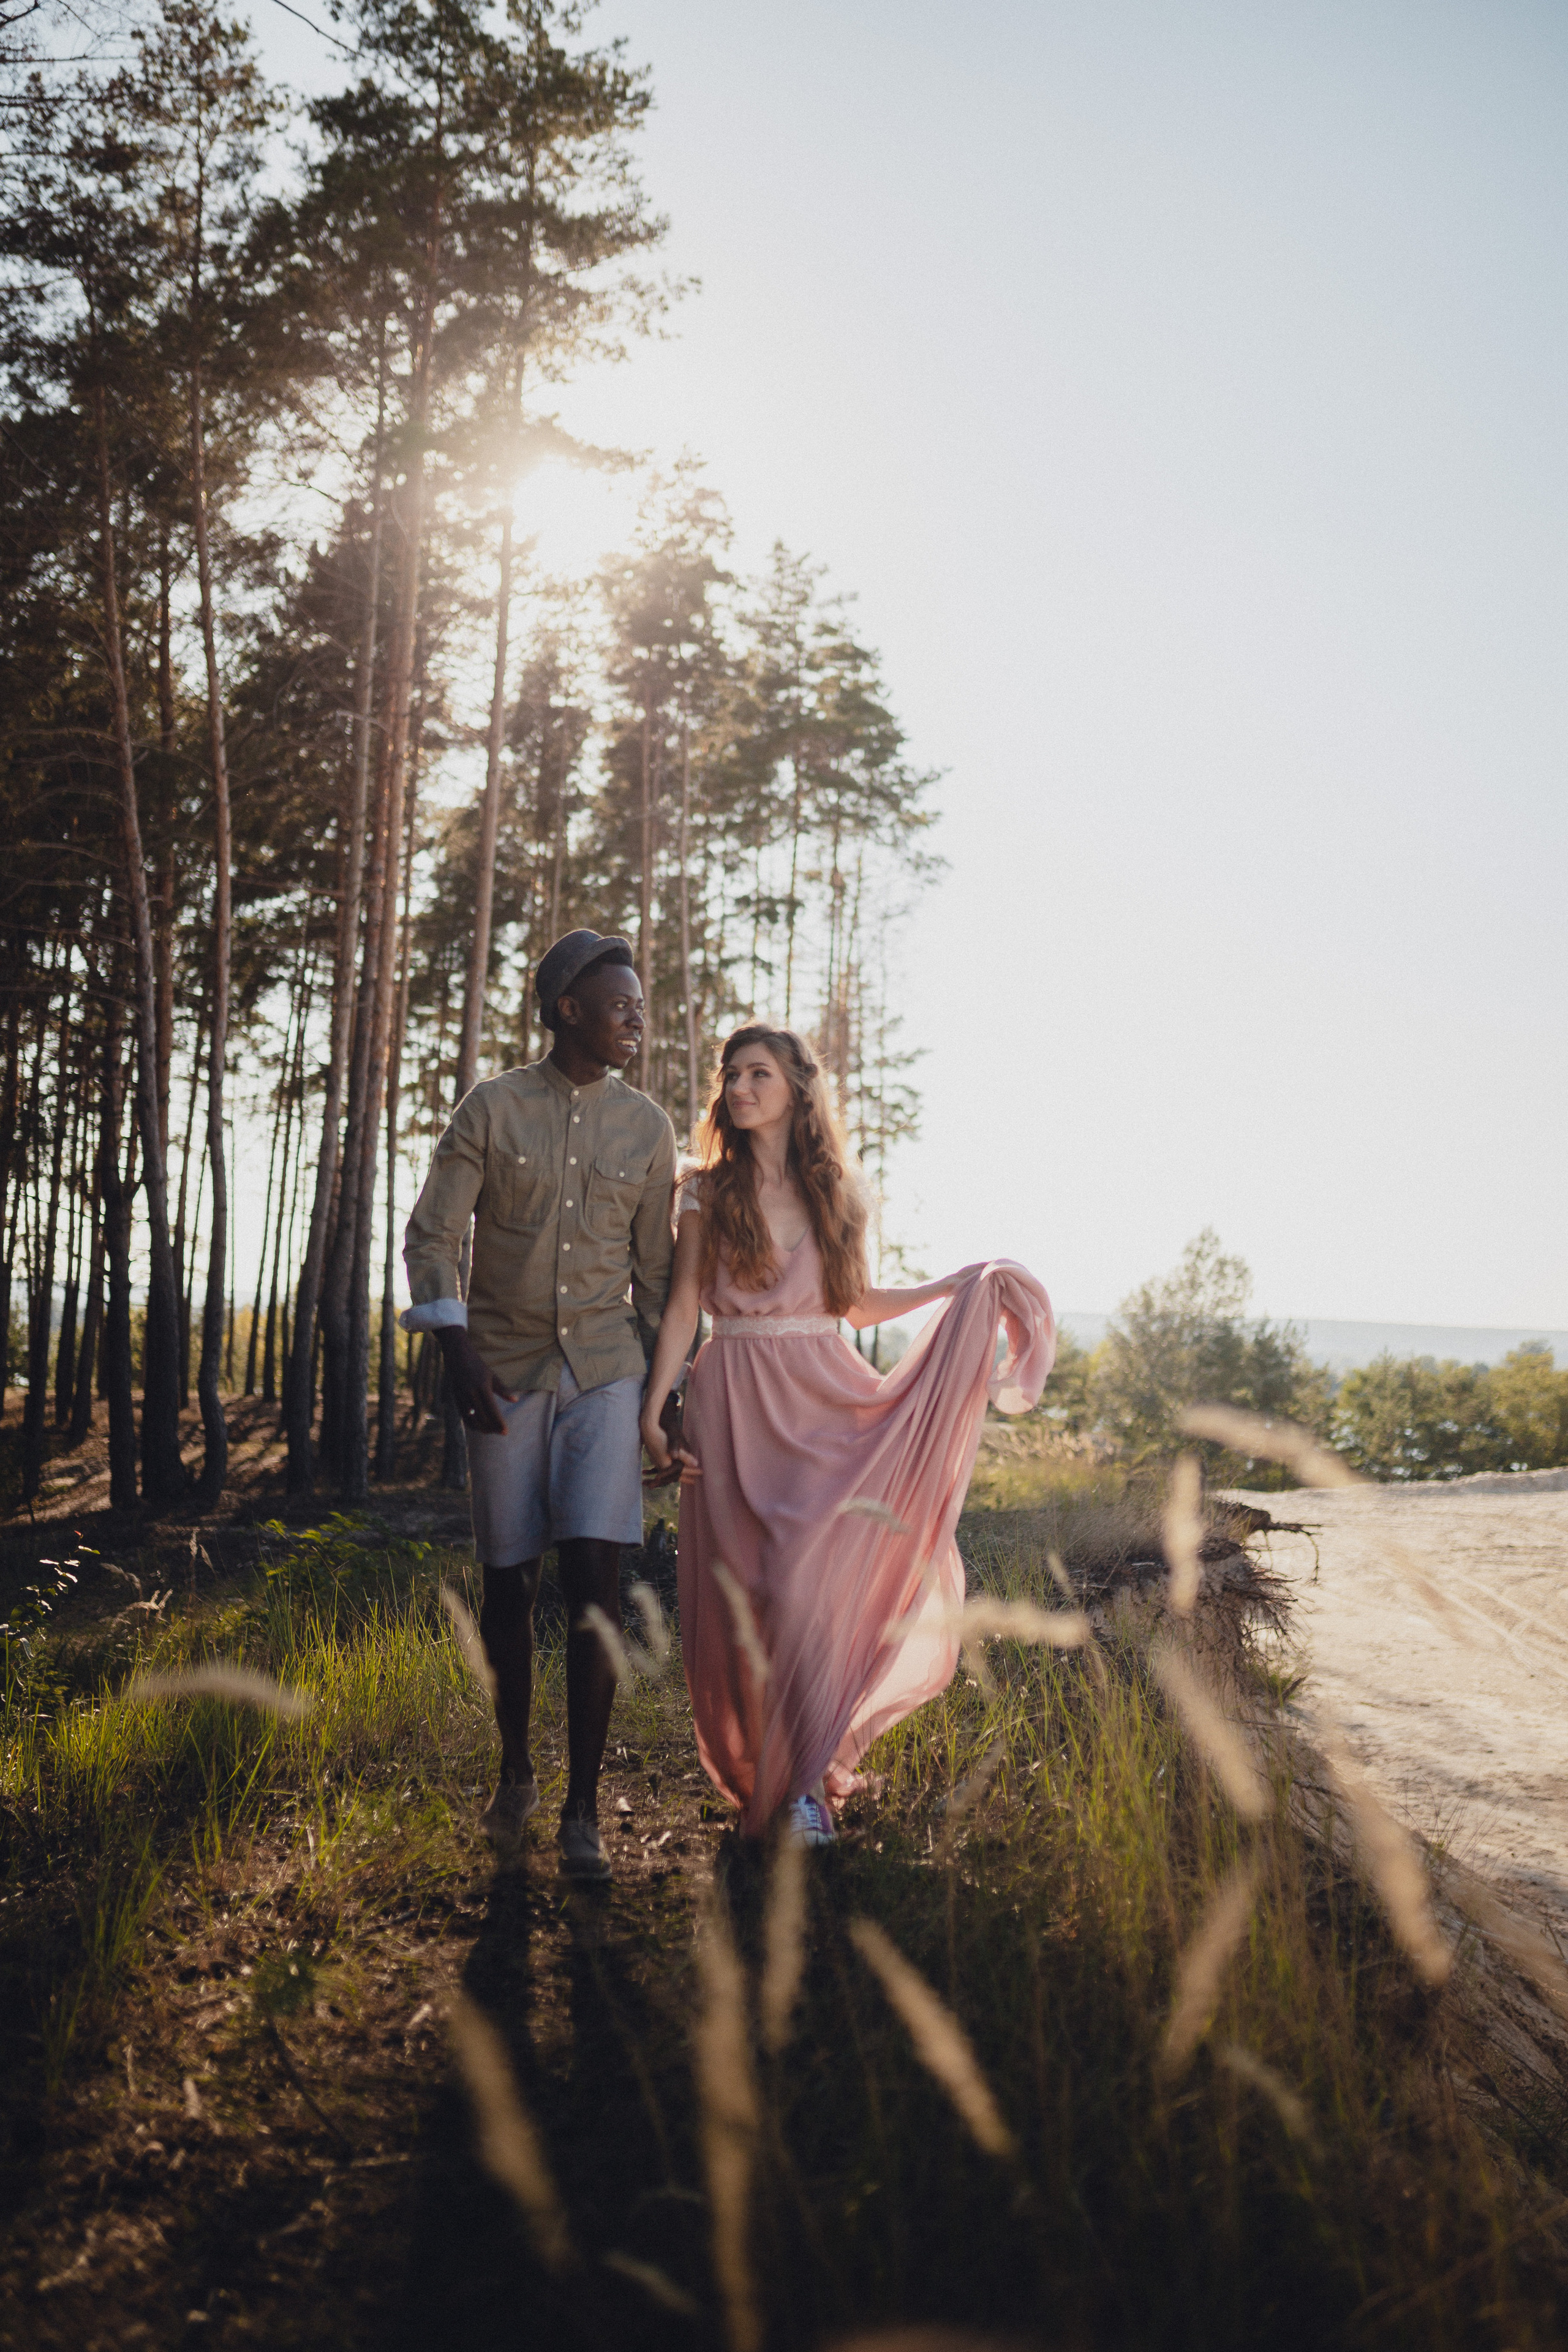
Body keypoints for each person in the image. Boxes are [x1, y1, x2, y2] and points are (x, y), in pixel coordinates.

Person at [640, 1025, 1055, 1847]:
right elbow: (684, 1307)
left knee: (804, 1591)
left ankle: (805, 1784)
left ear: (797, 1090)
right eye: (732, 1075)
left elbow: (852, 1303)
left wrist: (953, 1287)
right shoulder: (702, 1193)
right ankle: (779, 1777)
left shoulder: (837, 1193)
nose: (739, 1087)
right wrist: (656, 1412)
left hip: (823, 1397)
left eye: (758, 1074)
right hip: (734, 1401)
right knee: (753, 1599)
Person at [402, 930, 677, 1882]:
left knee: (595, 1584)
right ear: (568, 1009)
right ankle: (515, 1770)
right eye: (620, 1004)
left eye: (640, 1005)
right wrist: (455, 1349)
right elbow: (432, 1236)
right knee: (511, 1584)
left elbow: (656, 1275)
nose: (637, 1018)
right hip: (505, 1377)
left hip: (606, 1376)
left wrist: (671, 1393)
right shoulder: (493, 1108)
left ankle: (584, 1810)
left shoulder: (648, 1129)